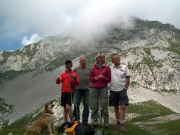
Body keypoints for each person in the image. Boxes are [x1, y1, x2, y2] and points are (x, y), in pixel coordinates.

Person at [89, 52, 111, 129]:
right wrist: (95, 78)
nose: (100, 59)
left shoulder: (107, 68)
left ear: (104, 59)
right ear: (97, 59)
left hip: (103, 88)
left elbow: (109, 79)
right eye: (99, 58)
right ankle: (94, 122)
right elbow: (90, 79)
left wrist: (103, 77)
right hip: (94, 88)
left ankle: (106, 123)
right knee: (94, 105)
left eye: (102, 57)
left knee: (104, 105)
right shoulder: (93, 68)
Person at [109, 53, 130, 131]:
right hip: (113, 90)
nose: (115, 60)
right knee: (116, 108)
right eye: (114, 59)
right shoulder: (110, 68)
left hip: (122, 90)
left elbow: (128, 77)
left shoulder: (124, 67)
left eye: (117, 58)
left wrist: (126, 88)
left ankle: (122, 125)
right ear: (112, 61)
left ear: (119, 59)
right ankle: (118, 124)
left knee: (123, 107)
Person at [73, 56, 91, 123]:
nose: (83, 62)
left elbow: (92, 77)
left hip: (87, 89)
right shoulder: (76, 69)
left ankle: (85, 121)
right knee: (76, 104)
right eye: (82, 61)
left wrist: (91, 84)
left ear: (86, 61)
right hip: (78, 89)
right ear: (79, 62)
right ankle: (76, 119)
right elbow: (72, 78)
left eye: (84, 61)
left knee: (86, 105)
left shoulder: (89, 69)